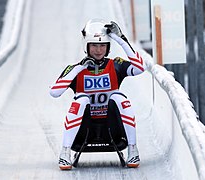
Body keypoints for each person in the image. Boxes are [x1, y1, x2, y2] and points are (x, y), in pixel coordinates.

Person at [50, 19, 145, 170]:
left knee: (118, 97)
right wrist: (79, 69)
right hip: (82, 130)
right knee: (80, 100)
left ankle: (133, 149)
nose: (98, 50)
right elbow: (54, 92)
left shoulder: (115, 65)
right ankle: (65, 152)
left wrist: (121, 40)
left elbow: (140, 68)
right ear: (86, 46)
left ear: (108, 47)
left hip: (113, 129)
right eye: (94, 45)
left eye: (102, 45)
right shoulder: (75, 69)